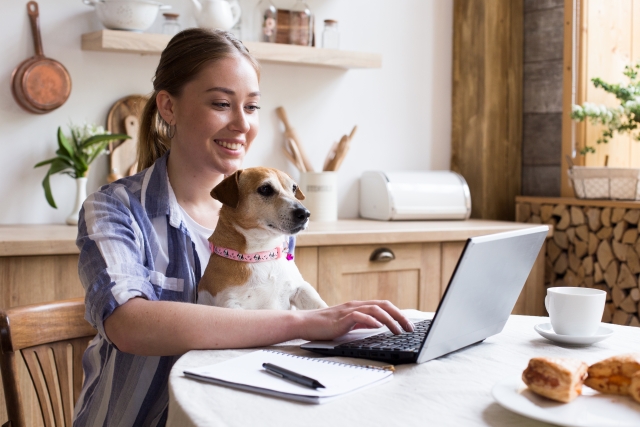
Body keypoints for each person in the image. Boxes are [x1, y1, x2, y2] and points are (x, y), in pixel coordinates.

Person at [72, 28, 413, 427]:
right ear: (169, 107)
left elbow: (279, 316)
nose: (241, 124)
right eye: (221, 103)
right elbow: (129, 325)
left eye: (251, 107)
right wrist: (304, 323)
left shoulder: (269, 216)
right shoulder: (116, 209)